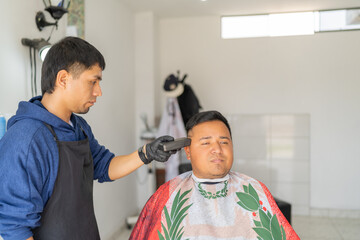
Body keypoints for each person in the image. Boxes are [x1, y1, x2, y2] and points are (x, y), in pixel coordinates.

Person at [0, 37, 176, 240]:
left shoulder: (78, 127)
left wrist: (147, 153)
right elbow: (15, 228)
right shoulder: (27, 139)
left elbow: (104, 165)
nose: (98, 92)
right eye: (93, 82)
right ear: (63, 79)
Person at [130, 110, 300, 240]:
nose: (217, 149)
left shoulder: (254, 190)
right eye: (206, 143)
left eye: (224, 142)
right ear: (188, 151)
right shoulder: (167, 194)